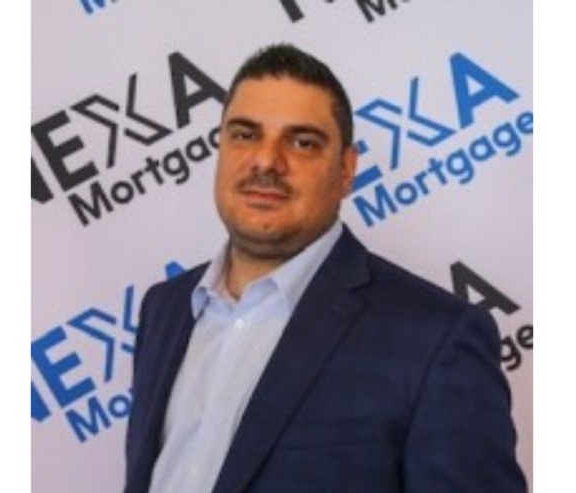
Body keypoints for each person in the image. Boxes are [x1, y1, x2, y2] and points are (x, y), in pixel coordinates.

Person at [124, 43, 526, 493]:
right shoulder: (165, 308)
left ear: (347, 170)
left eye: (302, 143)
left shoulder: (435, 338)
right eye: (245, 134)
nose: (266, 161)